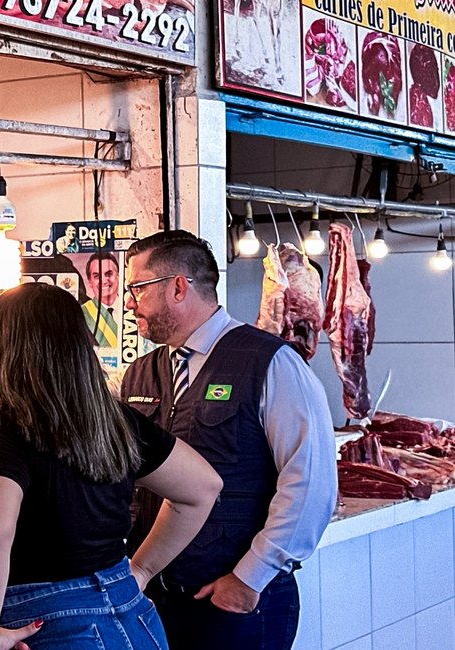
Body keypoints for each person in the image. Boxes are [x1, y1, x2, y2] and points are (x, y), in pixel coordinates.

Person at [0, 282, 223, 650]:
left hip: (44, 625)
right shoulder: (113, 418)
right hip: (132, 618)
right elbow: (203, 487)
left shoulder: (1, 423)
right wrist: (137, 572)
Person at [120, 230, 337, 650]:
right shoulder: (139, 372)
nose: (129, 303)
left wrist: (249, 578)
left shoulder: (271, 362)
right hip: (154, 603)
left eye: (137, 289)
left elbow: (311, 484)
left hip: (234, 605)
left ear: (179, 287)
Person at [83, 251, 120, 348]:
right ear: (90, 282)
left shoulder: (134, 309)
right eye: (97, 276)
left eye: (108, 274)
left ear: (118, 276)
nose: (104, 281)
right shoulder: (82, 314)